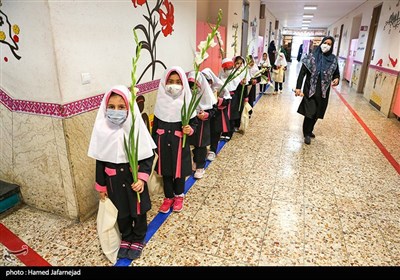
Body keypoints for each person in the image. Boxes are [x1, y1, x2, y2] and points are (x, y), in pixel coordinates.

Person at [88, 85, 157, 260]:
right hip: (114, 183)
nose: (116, 111)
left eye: (121, 107)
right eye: (111, 107)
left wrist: (141, 179)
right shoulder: (102, 131)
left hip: (134, 183)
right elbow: (100, 161)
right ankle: (126, 236)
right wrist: (101, 186)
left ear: (129, 108)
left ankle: (138, 237)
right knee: (122, 212)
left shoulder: (136, 129)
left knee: (138, 211)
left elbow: (147, 157)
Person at [152, 66, 198, 213]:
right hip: (163, 144)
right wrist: (154, 143)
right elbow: (155, 126)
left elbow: (194, 123)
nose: (174, 85)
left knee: (178, 173)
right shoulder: (161, 102)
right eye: (170, 81)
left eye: (178, 81)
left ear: (183, 83)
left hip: (180, 145)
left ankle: (179, 196)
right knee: (166, 172)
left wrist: (189, 130)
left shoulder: (187, 101)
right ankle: (168, 197)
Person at [294, 36, 340, 145]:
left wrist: (336, 79)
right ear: (321, 43)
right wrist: (298, 87)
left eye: (329, 44)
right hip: (310, 88)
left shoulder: (333, 59)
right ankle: (307, 133)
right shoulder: (311, 57)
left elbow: (336, 73)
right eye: (325, 43)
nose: (327, 45)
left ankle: (309, 130)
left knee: (317, 113)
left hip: (323, 91)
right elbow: (302, 73)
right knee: (310, 112)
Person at [188, 70, 217, 179]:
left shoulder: (207, 94)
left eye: (196, 85)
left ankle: (200, 166)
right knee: (194, 143)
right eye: (191, 85)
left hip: (202, 123)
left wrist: (206, 114)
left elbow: (214, 109)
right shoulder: (189, 93)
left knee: (201, 144)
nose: (194, 88)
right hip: (192, 121)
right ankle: (195, 160)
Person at [202, 67, 231, 162]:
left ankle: (213, 150)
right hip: (206, 114)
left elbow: (227, 100)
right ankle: (204, 149)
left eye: (208, 80)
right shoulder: (201, 88)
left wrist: (219, 100)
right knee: (206, 132)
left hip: (217, 114)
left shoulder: (219, 86)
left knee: (215, 132)